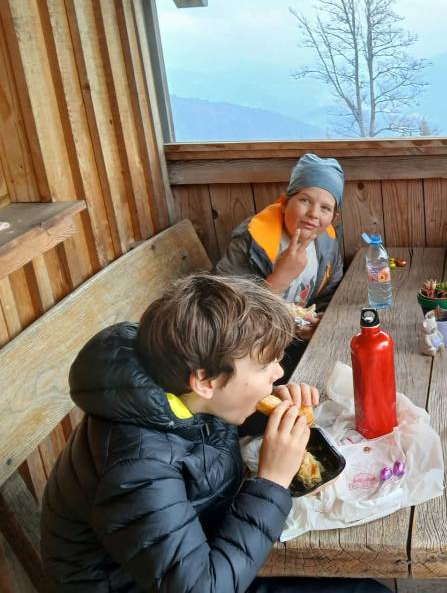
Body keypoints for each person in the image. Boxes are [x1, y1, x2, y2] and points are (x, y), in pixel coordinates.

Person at [40, 273, 389, 593]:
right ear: (205, 381)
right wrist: (272, 482)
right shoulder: (134, 468)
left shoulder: (178, 387)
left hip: (198, 547)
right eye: (264, 365)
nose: (279, 373)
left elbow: (200, 434)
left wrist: (266, 413)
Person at [217, 153, 345, 351]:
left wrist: (315, 323)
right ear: (284, 203)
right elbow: (225, 315)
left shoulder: (327, 243)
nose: (313, 213)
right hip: (255, 349)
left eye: (325, 208)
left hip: (297, 344)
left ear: (333, 218)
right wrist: (279, 279)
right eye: (305, 200)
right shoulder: (251, 241)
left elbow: (328, 296)